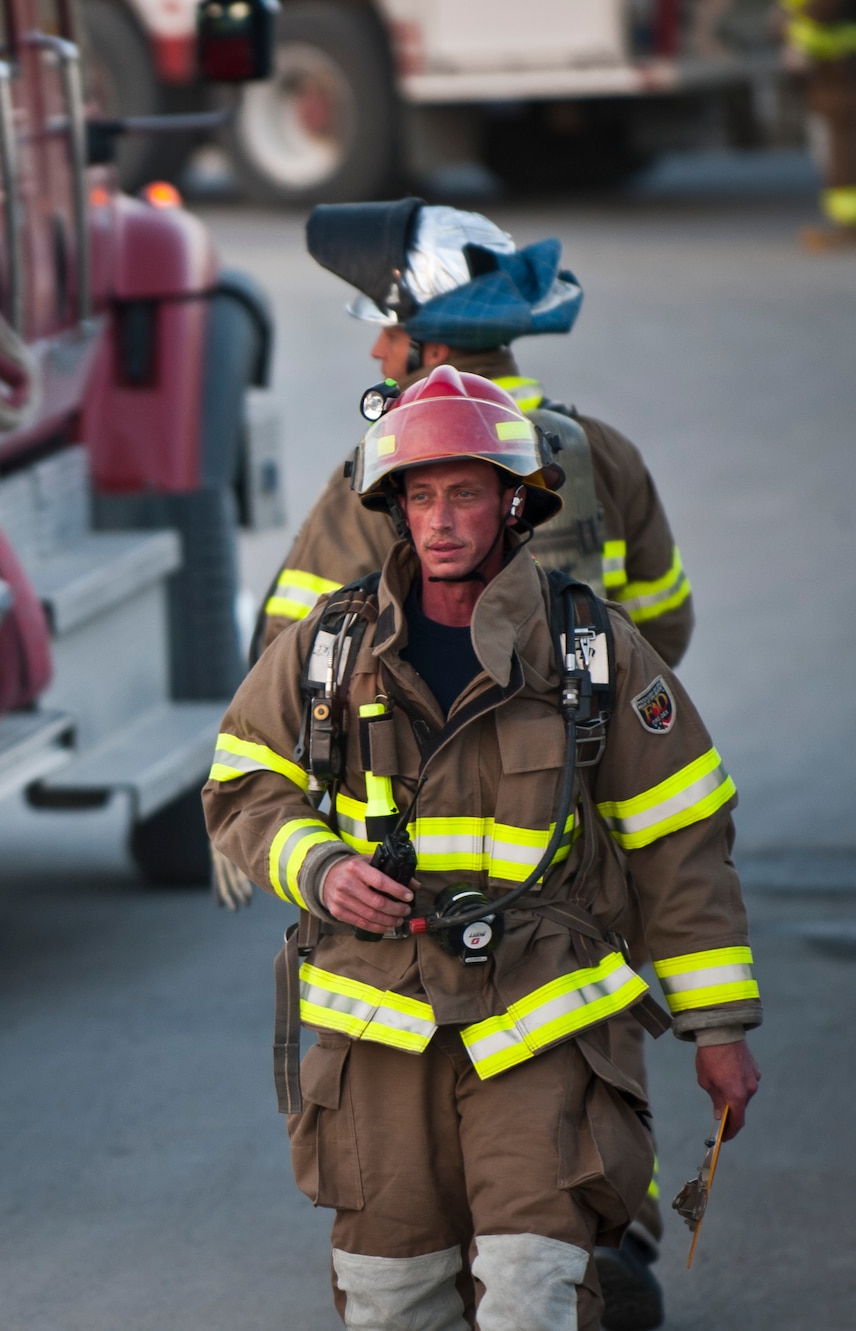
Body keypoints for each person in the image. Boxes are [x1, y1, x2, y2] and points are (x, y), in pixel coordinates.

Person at [202, 367, 761, 1331]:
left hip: (541, 1026)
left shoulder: (593, 651)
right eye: (420, 495)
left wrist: (718, 1028)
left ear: (514, 502)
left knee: (533, 1292)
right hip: (377, 1033)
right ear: (394, 507)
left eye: (464, 492)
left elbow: (682, 842)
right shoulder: (327, 649)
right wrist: (320, 868)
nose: (441, 519)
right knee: (393, 1303)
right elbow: (243, 779)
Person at [256, 201, 694, 669]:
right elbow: (663, 622)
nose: (377, 349)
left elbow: (298, 645)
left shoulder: (395, 462)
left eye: (393, 333)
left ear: (435, 349)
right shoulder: (605, 449)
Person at [787, 0, 856, 250]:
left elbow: (820, 13)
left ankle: (849, 225)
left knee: (841, 150)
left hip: (839, 75)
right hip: (835, 74)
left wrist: (800, 43)